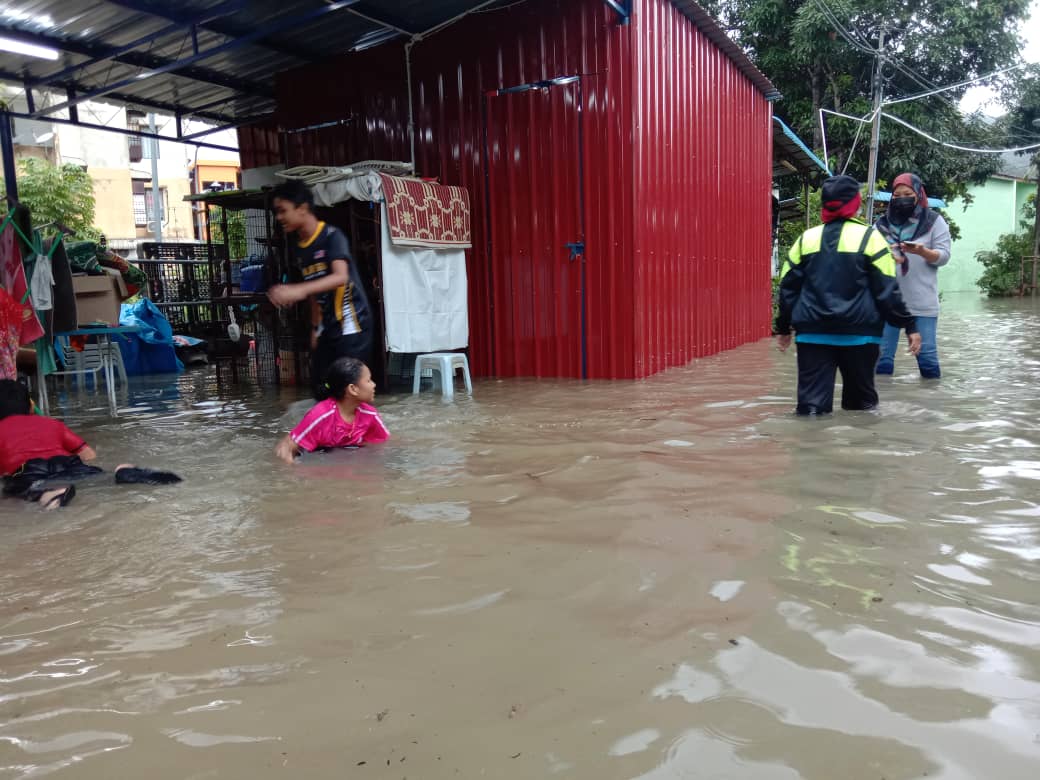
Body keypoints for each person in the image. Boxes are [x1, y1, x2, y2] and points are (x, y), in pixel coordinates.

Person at [774, 175, 922, 415]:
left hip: (813, 336)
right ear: (855, 203)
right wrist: (910, 325)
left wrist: (783, 328)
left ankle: (808, 449)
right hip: (861, 338)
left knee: (811, 409)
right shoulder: (871, 239)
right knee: (861, 410)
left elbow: (788, 289)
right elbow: (887, 292)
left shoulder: (806, 240)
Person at [266, 181, 375, 400]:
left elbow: (340, 276)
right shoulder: (300, 247)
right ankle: (330, 432)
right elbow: (315, 293)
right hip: (329, 327)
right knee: (320, 387)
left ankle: (367, 431)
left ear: (302, 208)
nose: (279, 218)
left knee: (350, 391)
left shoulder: (332, 237)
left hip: (352, 325)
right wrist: (315, 328)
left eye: (282, 211)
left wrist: (298, 290)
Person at [0, 380, 181, 510]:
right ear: (30, 407)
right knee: (99, 477)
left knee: (18, 491)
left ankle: (51, 494)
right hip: (69, 464)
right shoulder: (51, 424)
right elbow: (89, 455)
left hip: (30, 471)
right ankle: (121, 471)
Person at [873, 173, 952, 378]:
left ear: (918, 194)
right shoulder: (880, 225)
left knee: (927, 359)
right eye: (897, 194)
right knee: (881, 361)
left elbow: (943, 257)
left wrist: (922, 251)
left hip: (922, 303)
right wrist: (884, 253)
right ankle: (880, 408)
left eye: (907, 193)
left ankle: (929, 408)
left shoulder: (934, 221)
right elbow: (868, 259)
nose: (902, 198)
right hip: (887, 302)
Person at [275, 357, 389, 464]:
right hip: (317, 455)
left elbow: (384, 442)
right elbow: (288, 447)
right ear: (353, 389)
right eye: (368, 380)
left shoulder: (370, 414)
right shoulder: (321, 416)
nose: (374, 385)